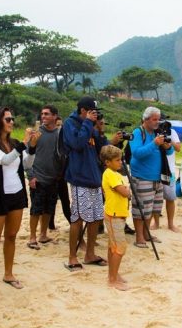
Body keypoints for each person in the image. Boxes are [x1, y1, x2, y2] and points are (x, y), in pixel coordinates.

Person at [0, 107, 38, 299]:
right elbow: (4, 160)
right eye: (8, 119)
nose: (12, 122)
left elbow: (26, 164)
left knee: (11, 236)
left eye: (12, 118)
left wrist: (33, 148)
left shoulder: (12, 143)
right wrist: (23, 144)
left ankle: (8, 274)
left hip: (17, 194)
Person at [63, 97, 120, 270]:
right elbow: (78, 144)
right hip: (80, 178)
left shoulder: (91, 126)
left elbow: (102, 150)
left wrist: (101, 131)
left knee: (95, 218)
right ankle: (72, 257)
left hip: (94, 178)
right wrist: (88, 123)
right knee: (78, 218)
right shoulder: (70, 124)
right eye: (92, 112)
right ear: (84, 111)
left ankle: (89, 254)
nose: (95, 115)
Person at [128, 107, 172, 248]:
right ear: (146, 119)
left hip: (157, 177)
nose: (157, 122)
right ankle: (139, 236)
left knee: (153, 208)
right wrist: (154, 144)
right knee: (141, 208)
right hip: (142, 177)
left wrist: (167, 145)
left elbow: (169, 150)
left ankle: (146, 234)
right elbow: (137, 153)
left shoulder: (157, 133)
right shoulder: (137, 132)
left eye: (158, 119)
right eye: (154, 119)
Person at [27, 105, 61, 250]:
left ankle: (43, 234)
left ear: (55, 116)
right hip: (38, 177)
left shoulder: (60, 134)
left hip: (53, 178)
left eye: (47, 114)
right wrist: (31, 176)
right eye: (42, 114)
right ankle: (32, 237)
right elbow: (28, 156)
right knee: (36, 209)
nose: (43, 116)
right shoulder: (36, 133)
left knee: (49, 209)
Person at [100, 145, 131, 291]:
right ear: (107, 162)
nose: (120, 162)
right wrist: (128, 191)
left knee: (113, 246)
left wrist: (126, 190)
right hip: (114, 215)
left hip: (117, 214)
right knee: (120, 247)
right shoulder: (110, 174)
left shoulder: (114, 173)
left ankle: (113, 275)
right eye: (117, 160)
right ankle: (112, 279)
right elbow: (124, 192)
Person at [153, 113, 181, 232]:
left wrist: (169, 142)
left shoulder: (172, 132)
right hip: (155, 169)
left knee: (170, 198)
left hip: (168, 170)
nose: (163, 124)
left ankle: (170, 224)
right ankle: (156, 223)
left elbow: (179, 148)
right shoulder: (152, 132)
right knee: (155, 199)